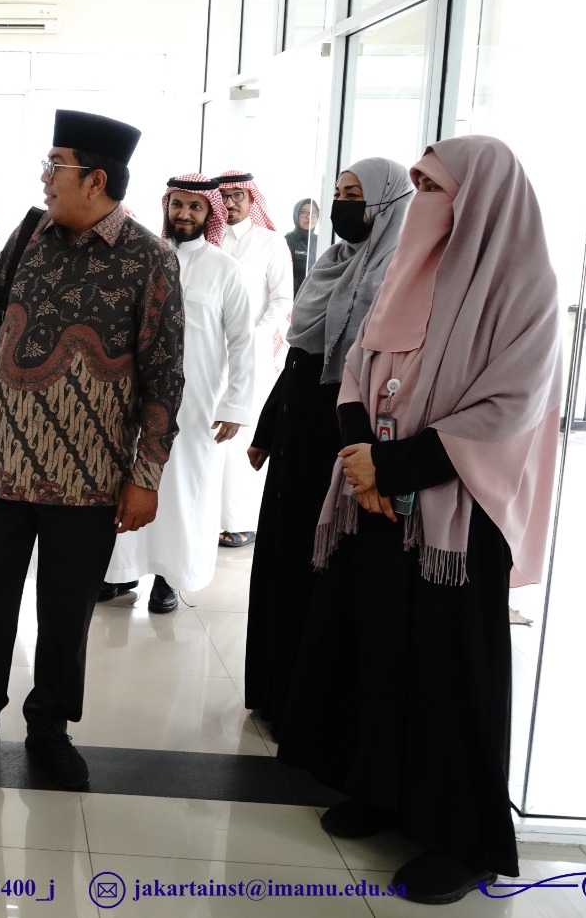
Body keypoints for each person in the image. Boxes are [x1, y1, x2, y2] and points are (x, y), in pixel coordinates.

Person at [274, 135, 562, 904]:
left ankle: (463, 837)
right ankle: (385, 789)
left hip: (456, 514)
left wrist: (395, 467)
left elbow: (511, 406)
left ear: (480, 199)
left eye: (435, 188)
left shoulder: (523, 284)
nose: (423, 202)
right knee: (379, 647)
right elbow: (359, 364)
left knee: (449, 671)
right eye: (420, 187)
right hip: (376, 495)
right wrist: (361, 454)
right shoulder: (412, 266)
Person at [0, 109, 186, 790]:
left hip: (88, 479)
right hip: (0, 465)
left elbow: (164, 376)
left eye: (55, 166)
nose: (44, 177)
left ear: (95, 180)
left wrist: (146, 475)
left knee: (65, 613)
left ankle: (49, 726)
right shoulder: (30, 232)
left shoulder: (150, 260)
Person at [242, 158, 412, 733]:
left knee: (322, 561)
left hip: (344, 442)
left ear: (388, 204)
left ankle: (307, 706)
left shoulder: (399, 273)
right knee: (284, 557)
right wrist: (269, 428)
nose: (343, 204)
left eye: (356, 194)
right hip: (298, 432)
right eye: (339, 192)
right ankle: (273, 689)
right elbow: (300, 359)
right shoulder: (330, 263)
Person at [104, 174, 253, 612]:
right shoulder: (144, 258)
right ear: (167, 207)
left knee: (184, 487)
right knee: (131, 476)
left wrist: (235, 404)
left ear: (209, 213)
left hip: (196, 401)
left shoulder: (225, 269)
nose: (184, 214)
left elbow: (242, 341)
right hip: (138, 393)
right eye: (177, 205)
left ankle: (171, 577)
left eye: (195, 207)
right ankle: (122, 571)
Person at [214, 169, 293, 547]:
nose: (229, 203)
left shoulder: (269, 242)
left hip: (251, 357)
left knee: (240, 436)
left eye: (237, 196)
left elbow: (282, 300)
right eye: (223, 196)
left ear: (251, 199)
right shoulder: (209, 239)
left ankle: (240, 521)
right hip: (209, 355)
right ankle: (209, 517)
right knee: (209, 434)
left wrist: (253, 338)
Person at [287, 198, 320, 292]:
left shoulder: (321, 241)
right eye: (304, 212)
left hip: (318, 292)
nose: (309, 217)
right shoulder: (287, 241)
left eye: (314, 213)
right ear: (296, 215)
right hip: (294, 293)